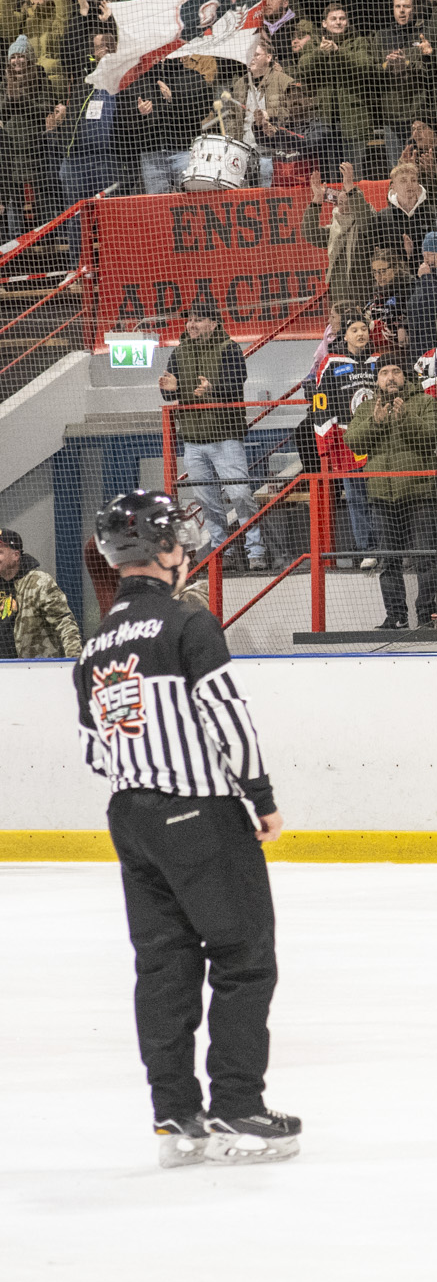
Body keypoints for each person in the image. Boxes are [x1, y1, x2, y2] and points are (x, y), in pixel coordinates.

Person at [77, 487, 299, 1166]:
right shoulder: (187, 622)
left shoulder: (95, 645)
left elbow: (95, 751)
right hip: (198, 810)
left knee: (164, 962)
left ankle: (175, 1112)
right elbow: (227, 717)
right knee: (243, 954)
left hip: (130, 818)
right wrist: (259, 796)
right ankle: (237, 1106)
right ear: (164, 550)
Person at [346, 353, 437, 630]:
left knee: (425, 559)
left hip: (419, 494)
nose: (390, 377)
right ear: (377, 378)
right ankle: (396, 616)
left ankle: (427, 617)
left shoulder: (425, 401)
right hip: (380, 495)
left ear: (406, 376)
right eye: (384, 372)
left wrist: (405, 419)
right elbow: (352, 441)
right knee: (388, 561)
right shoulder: (367, 408)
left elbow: (435, 435)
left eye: (396, 371)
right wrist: (376, 422)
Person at [161, 310, 265, 573]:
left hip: (226, 437)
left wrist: (211, 390)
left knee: (240, 494)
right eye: (189, 320)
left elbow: (235, 383)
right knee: (207, 501)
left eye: (197, 320)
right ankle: (223, 551)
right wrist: (168, 388)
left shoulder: (230, 349)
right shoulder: (179, 352)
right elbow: (167, 390)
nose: (191, 325)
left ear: (213, 323)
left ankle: (256, 551)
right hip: (193, 440)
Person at [2, 524, 82, 657]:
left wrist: (73, 663)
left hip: (36, 671)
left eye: (0, 552)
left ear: (16, 555)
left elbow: (65, 623)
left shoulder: (39, 583)